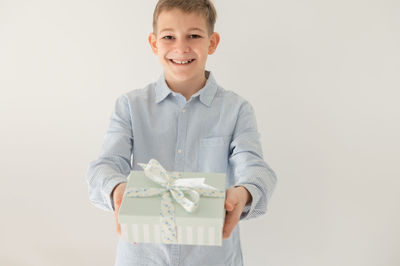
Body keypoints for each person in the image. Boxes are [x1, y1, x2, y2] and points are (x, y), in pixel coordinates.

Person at [86, 0, 277, 265]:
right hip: (142, 256)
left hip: (214, 258)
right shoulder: (130, 106)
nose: (181, 47)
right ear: (154, 43)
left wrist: (243, 192)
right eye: (168, 37)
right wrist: (117, 189)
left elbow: (256, 168)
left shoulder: (237, 109)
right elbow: (104, 166)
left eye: (194, 35)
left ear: (212, 42)